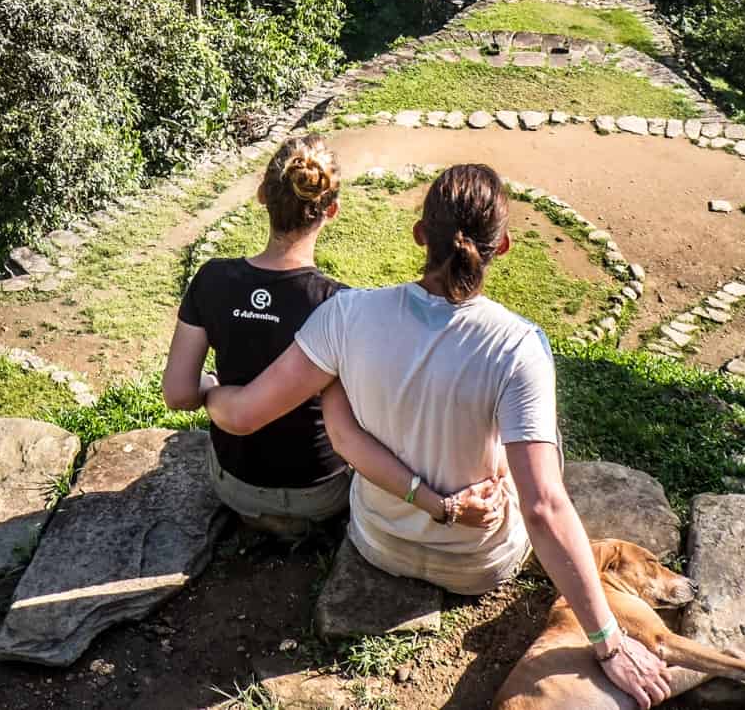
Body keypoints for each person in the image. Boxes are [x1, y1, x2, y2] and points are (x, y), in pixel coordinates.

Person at [205, 164, 675, 709]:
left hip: (378, 542)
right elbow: (545, 507)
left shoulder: (345, 315)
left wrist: (208, 389)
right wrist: (608, 640)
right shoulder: (518, 346)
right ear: (502, 246)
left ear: (419, 235)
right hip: (478, 564)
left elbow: (248, 416)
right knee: (523, 448)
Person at [163, 136, 498, 536]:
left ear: (263, 197)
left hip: (235, 486)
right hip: (320, 494)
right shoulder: (340, 306)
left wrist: (212, 389)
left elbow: (178, 394)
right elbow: (348, 433)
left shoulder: (212, 278)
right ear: (332, 211)